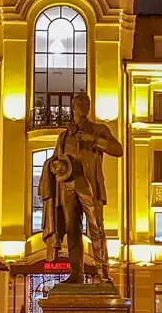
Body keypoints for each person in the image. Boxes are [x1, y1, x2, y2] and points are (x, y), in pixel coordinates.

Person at [39, 93, 123, 283]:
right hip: (67, 187)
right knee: (72, 230)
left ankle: (103, 274)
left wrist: (95, 140)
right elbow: (55, 159)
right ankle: (76, 273)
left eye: (87, 103)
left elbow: (118, 150)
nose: (84, 106)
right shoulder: (64, 136)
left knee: (97, 229)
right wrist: (54, 166)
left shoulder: (98, 129)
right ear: (73, 108)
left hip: (90, 186)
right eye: (80, 103)